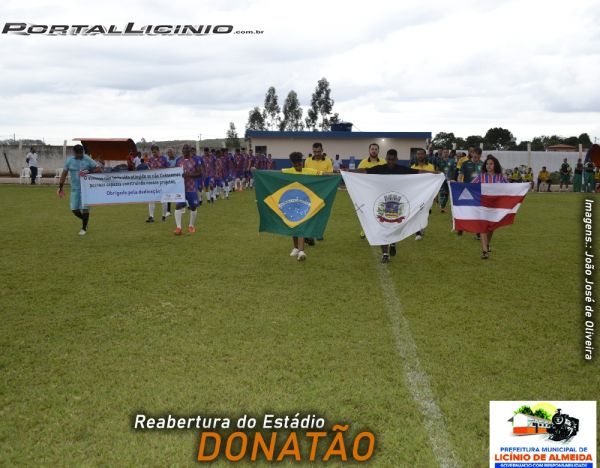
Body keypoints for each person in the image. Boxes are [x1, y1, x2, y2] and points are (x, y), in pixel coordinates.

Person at [366, 149, 420, 263]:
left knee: (395, 226)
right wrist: (347, 171)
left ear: (396, 159)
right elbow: (364, 171)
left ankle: (394, 242)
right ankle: (385, 254)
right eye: (389, 159)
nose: (390, 161)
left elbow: (417, 172)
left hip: (398, 202)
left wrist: (435, 174)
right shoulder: (380, 169)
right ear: (386, 158)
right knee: (382, 227)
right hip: (382, 202)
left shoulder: (402, 169)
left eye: (393, 159)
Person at [281, 152, 326, 261]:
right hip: (291, 202)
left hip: (304, 202)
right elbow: (273, 173)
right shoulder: (288, 171)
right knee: (293, 225)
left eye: (299, 165)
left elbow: (321, 174)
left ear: (302, 162)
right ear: (292, 164)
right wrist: (256, 170)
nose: (298, 167)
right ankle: (296, 248)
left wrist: (337, 172)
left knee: (301, 225)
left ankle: (301, 251)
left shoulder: (308, 171)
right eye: (295, 165)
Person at [57, 144, 102, 235]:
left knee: (85, 209)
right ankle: (84, 220)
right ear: (74, 153)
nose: (80, 155)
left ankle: (84, 228)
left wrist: (88, 171)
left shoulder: (87, 159)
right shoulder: (69, 161)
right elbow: (64, 174)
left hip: (86, 189)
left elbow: (98, 169)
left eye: (81, 153)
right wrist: (60, 187)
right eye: (78, 153)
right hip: (75, 189)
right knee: (74, 209)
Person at [472, 156, 509, 259]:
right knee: (483, 227)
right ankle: (484, 251)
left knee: (491, 227)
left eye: (491, 164)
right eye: (487, 164)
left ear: (495, 165)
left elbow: (510, 188)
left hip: (495, 206)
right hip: (483, 205)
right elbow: (471, 186)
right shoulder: (481, 177)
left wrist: (524, 186)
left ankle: (487, 245)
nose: (489, 166)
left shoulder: (500, 177)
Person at [304, 143, 333, 243]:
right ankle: (310, 235)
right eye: (314, 151)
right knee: (310, 212)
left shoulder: (328, 161)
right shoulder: (307, 160)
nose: (316, 153)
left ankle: (319, 233)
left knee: (321, 213)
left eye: (318, 151)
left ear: (322, 150)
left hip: (324, 191)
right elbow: (305, 174)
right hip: (310, 190)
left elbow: (330, 175)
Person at [357, 143, 385, 239]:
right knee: (366, 211)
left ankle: (379, 230)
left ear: (378, 151)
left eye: (376, 149)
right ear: (369, 150)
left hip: (379, 191)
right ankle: (364, 229)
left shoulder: (383, 162)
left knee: (379, 211)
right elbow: (357, 177)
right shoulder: (363, 163)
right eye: (372, 149)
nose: (374, 151)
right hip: (366, 192)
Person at [174, 144, 202, 235]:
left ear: (190, 150)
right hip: (180, 188)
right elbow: (174, 172)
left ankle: (191, 226)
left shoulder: (195, 160)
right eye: (184, 149)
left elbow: (200, 173)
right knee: (178, 206)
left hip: (191, 187)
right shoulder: (178, 160)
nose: (185, 150)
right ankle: (178, 228)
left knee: (193, 207)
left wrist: (189, 175)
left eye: (187, 149)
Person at [410, 148, 435, 240]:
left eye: (422, 154)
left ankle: (422, 226)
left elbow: (434, 179)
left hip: (428, 193)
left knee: (427, 211)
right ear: (416, 156)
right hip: (417, 193)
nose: (420, 156)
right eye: (418, 154)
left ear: (425, 155)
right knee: (417, 211)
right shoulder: (412, 167)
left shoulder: (431, 167)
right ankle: (418, 233)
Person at [146, 144, 171, 222]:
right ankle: (151, 217)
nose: (154, 153)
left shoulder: (164, 158)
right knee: (151, 199)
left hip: (163, 182)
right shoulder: (150, 160)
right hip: (153, 183)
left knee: (164, 199)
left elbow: (169, 168)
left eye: (155, 152)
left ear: (158, 151)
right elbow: (149, 169)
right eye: (153, 152)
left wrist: (162, 169)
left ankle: (164, 216)